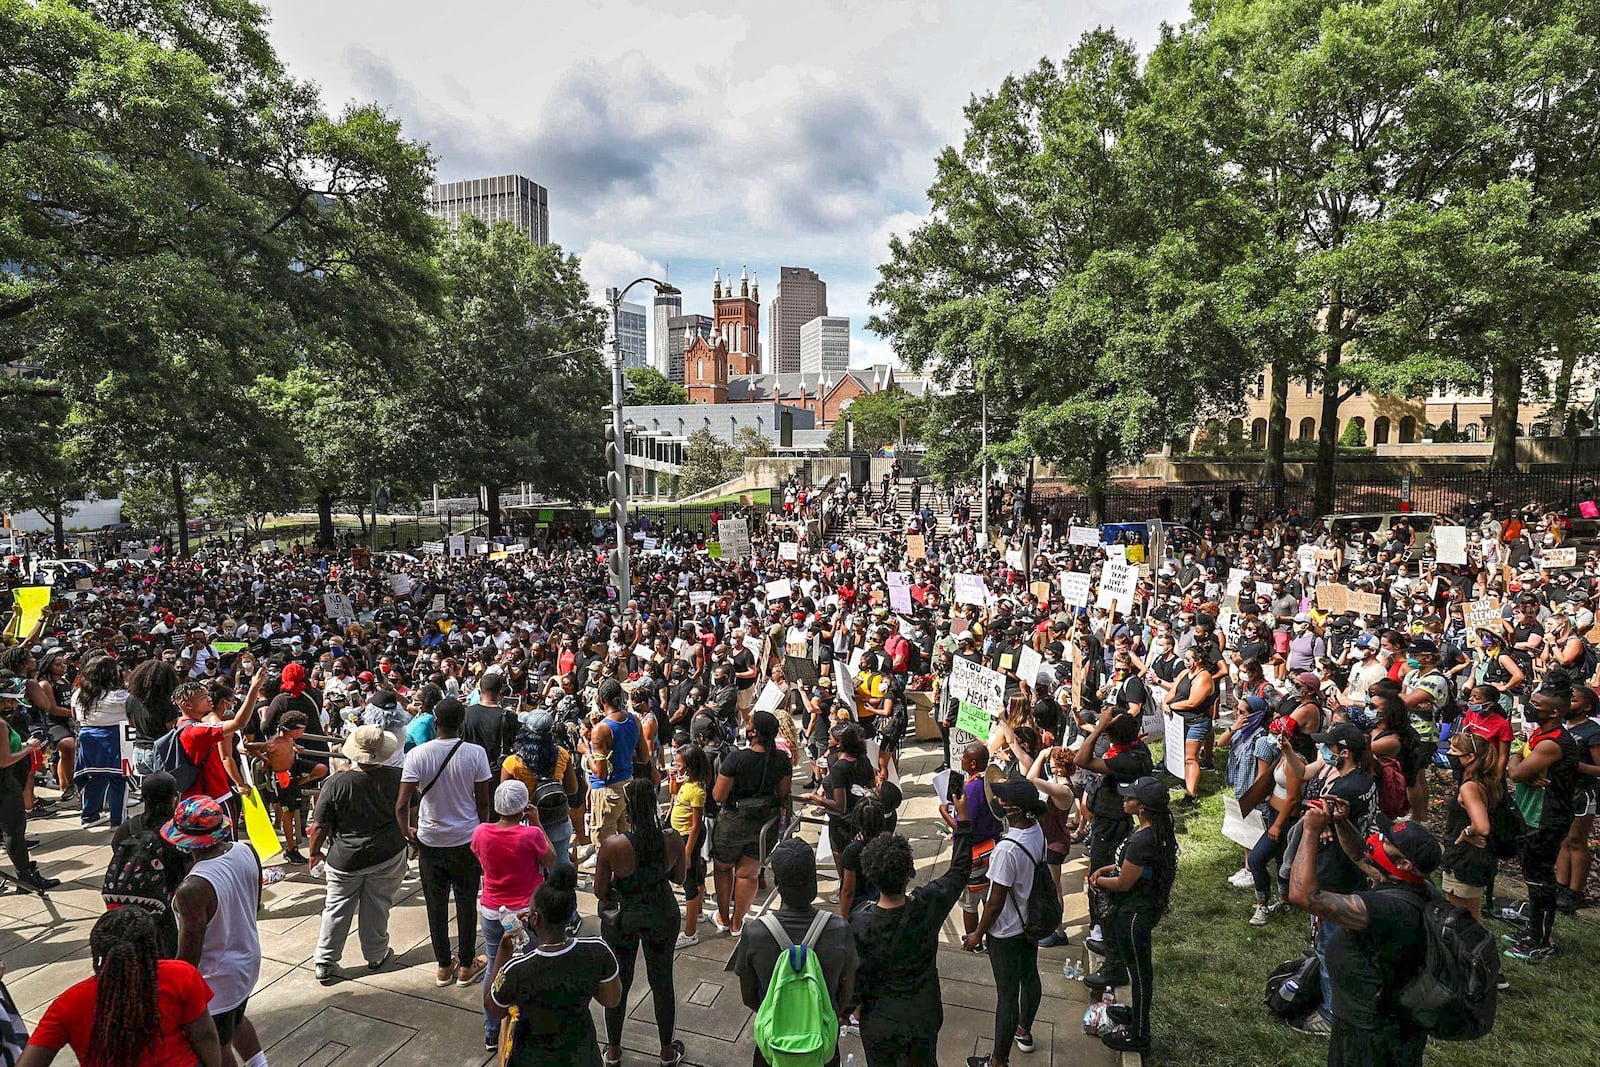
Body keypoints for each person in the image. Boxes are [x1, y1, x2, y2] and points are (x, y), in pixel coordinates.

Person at [1287, 798, 1441, 1067]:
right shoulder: (1416, 884)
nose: (1378, 839)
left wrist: (1310, 831)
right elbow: (1360, 855)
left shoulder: (1389, 908)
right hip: (1394, 1021)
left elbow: (1303, 896)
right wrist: (1340, 822)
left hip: (1371, 1033)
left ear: (1404, 863)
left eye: (1387, 840)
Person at [850, 783, 972, 1067]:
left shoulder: (860, 921)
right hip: (923, 1013)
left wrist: (848, 1009)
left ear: (871, 876)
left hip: (880, 1019)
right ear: (908, 874)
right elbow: (959, 871)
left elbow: (855, 977)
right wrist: (963, 822)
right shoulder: (927, 905)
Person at [19, 908, 223, 1067]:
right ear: (151, 945)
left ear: (98, 950)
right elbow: (204, 1034)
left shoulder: (67, 1004)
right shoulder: (181, 975)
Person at [396, 696, 494, 987]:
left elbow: (402, 804)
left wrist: (407, 832)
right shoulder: (475, 753)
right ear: (462, 723)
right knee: (466, 903)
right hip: (466, 839)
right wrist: (483, 829)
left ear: (435, 722)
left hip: (429, 840)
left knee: (435, 905)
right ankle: (466, 964)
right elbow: (483, 801)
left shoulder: (417, 755)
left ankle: (443, 966)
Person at [733, 838, 858, 1067]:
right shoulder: (839, 930)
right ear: (814, 881)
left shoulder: (755, 932)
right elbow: (847, 995)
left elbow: (749, 998)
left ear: (777, 882)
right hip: (821, 1049)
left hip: (773, 1050)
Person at [485, 866, 623, 1067]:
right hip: (582, 1056)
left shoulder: (516, 970)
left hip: (531, 1058)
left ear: (535, 919)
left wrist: (504, 949)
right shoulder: (597, 950)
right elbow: (611, 1000)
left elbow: (493, 1009)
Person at [594, 777, 686, 1067]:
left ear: (629, 811)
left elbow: (599, 890)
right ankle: (667, 1051)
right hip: (662, 913)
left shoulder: (613, 845)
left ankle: (613, 1049)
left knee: (619, 980)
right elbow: (680, 879)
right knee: (662, 981)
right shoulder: (672, 839)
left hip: (624, 918)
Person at [166, 797, 265, 1067]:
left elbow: (188, 957)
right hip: (247, 958)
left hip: (215, 980)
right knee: (235, 1019)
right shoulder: (246, 850)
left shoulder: (193, 888)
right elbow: (254, 904)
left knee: (216, 1047)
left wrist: (173, 995)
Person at [307, 725, 410, 984]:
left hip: (345, 858)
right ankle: (376, 955)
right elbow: (411, 809)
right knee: (378, 905)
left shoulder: (336, 783)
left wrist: (314, 853)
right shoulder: (398, 778)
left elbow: (319, 825)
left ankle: (325, 959)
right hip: (387, 853)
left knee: (336, 908)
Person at [1086, 777, 1178, 1055]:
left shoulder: (1143, 840)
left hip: (1134, 915)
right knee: (1137, 970)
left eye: (1130, 798)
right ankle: (1135, 1015)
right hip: (1139, 909)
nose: (1124, 800)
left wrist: (1097, 881)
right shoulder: (1152, 833)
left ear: (1143, 808)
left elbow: (1124, 883)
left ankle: (1139, 1033)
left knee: (1139, 975)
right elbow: (1128, 866)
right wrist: (1106, 869)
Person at [962, 778, 1047, 1067]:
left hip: (1006, 933)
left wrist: (976, 935)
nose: (996, 802)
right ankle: (1024, 1030)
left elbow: (995, 903)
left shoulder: (1006, 851)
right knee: (1030, 976)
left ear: (1014, 809)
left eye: (1000, 800)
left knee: (1007, 995)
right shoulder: (1036, 831)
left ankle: (998, 1060)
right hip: (1031, 923)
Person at [472, 781, 556, 1050]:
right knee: (532, 966)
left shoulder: (481, 832)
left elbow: (480, 859)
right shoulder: (530, 835)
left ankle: (491, 1029)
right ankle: (530, 1024)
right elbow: (552, 861)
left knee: (496, 965)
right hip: (526, 912)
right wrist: (538, 823)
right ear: (523, 807)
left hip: (492, 910)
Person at [1503, 674, 1580, 961]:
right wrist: (1519, 761)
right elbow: (1519, 765)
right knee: (1534, 877)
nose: (1530, 706)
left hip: (1546, 818)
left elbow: (1515, 772)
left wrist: (1518, 763)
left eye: (1536, 704)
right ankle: (1534, 930)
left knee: (1540, 881)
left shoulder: (1553, 742)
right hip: (1531, 813)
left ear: (1555, 712)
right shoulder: (1539, 735)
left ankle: (1541, 941)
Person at [711, 710, 791, 935]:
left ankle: (724, 917)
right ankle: (738, 923)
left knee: (723, 868)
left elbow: (718, 795)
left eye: (749, 722)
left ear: (754, 732)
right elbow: (783, 794)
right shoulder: (781, 760)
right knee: (748, 874)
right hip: (764, 825)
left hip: (732, 822)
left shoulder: (736, 758)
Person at [107, 771, 191, 955]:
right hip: (166, 907)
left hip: (132, 905)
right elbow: (187, 867)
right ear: (174, 799)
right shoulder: (176, 832)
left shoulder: (127, 828)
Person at [0, 678, 56, 891]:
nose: (13, 707)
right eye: (9, 702)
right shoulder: (1, 725)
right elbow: (4, 760)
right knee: (14, 832)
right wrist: (28, 747)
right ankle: (25, 877)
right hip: (5, 785)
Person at [587, 678, 653, 846]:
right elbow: (644, 758)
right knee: (628, 842)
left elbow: (600, 773)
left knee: (604, 846)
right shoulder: (634, 720)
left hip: (606, 792)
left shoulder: (600, 730)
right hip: (627, 787)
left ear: (602, 700)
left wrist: (586, 752)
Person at [1440, 732, 1497, 920]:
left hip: (1465, 858)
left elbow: (1482, 827)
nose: (1449, 753)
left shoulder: (1470, 787)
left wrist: (1465, 833)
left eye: (1454, 750)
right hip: (1477, 859)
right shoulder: (1488, 780)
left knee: (1459, 918)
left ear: (1470, 757)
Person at [73, 655, 133, 828]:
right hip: (117, 737)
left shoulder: (79, 693)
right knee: (119, 780)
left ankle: (89, 816)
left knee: (94, 777)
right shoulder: (121, 695)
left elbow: (76, 716)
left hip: (88, 738)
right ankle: (118, 820)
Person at [667, 741, 711, 948]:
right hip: (681, 834)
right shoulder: (687, 783)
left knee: (689, 884)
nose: (677, 768)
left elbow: (695, 826)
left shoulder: (697, 791)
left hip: (687, 838)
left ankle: (690, 932)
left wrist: (686, 852)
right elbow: (674, 793)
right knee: (697, 877)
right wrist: (674, 780)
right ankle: (698, 911)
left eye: (680, 765)